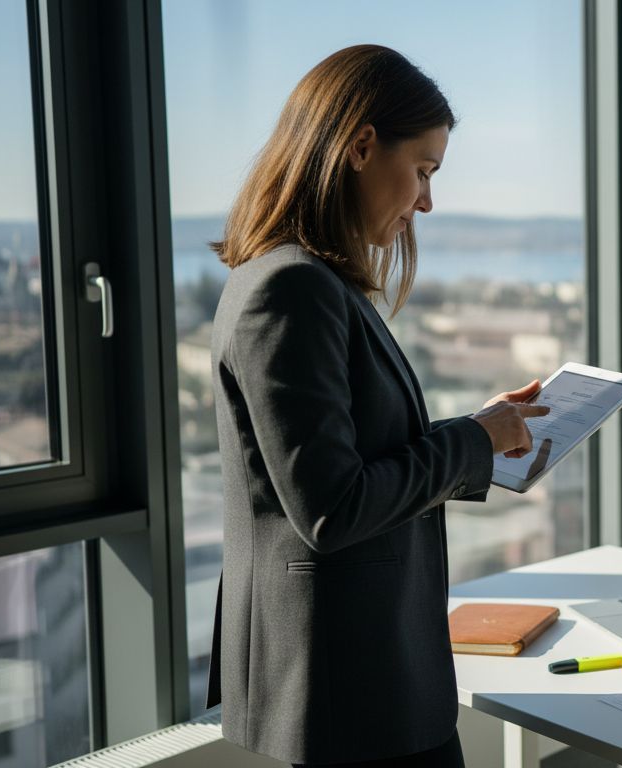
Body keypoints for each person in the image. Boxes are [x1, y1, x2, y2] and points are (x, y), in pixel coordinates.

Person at [204, 44, 546, 768]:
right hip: (346, 702)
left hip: (357, 690)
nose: (426, 200)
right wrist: (471, 443)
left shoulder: (299, 281)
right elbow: (332, 507)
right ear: (361, 145)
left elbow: (351, 459)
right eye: (422, 170)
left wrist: (474, 432)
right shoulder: (288, 291)